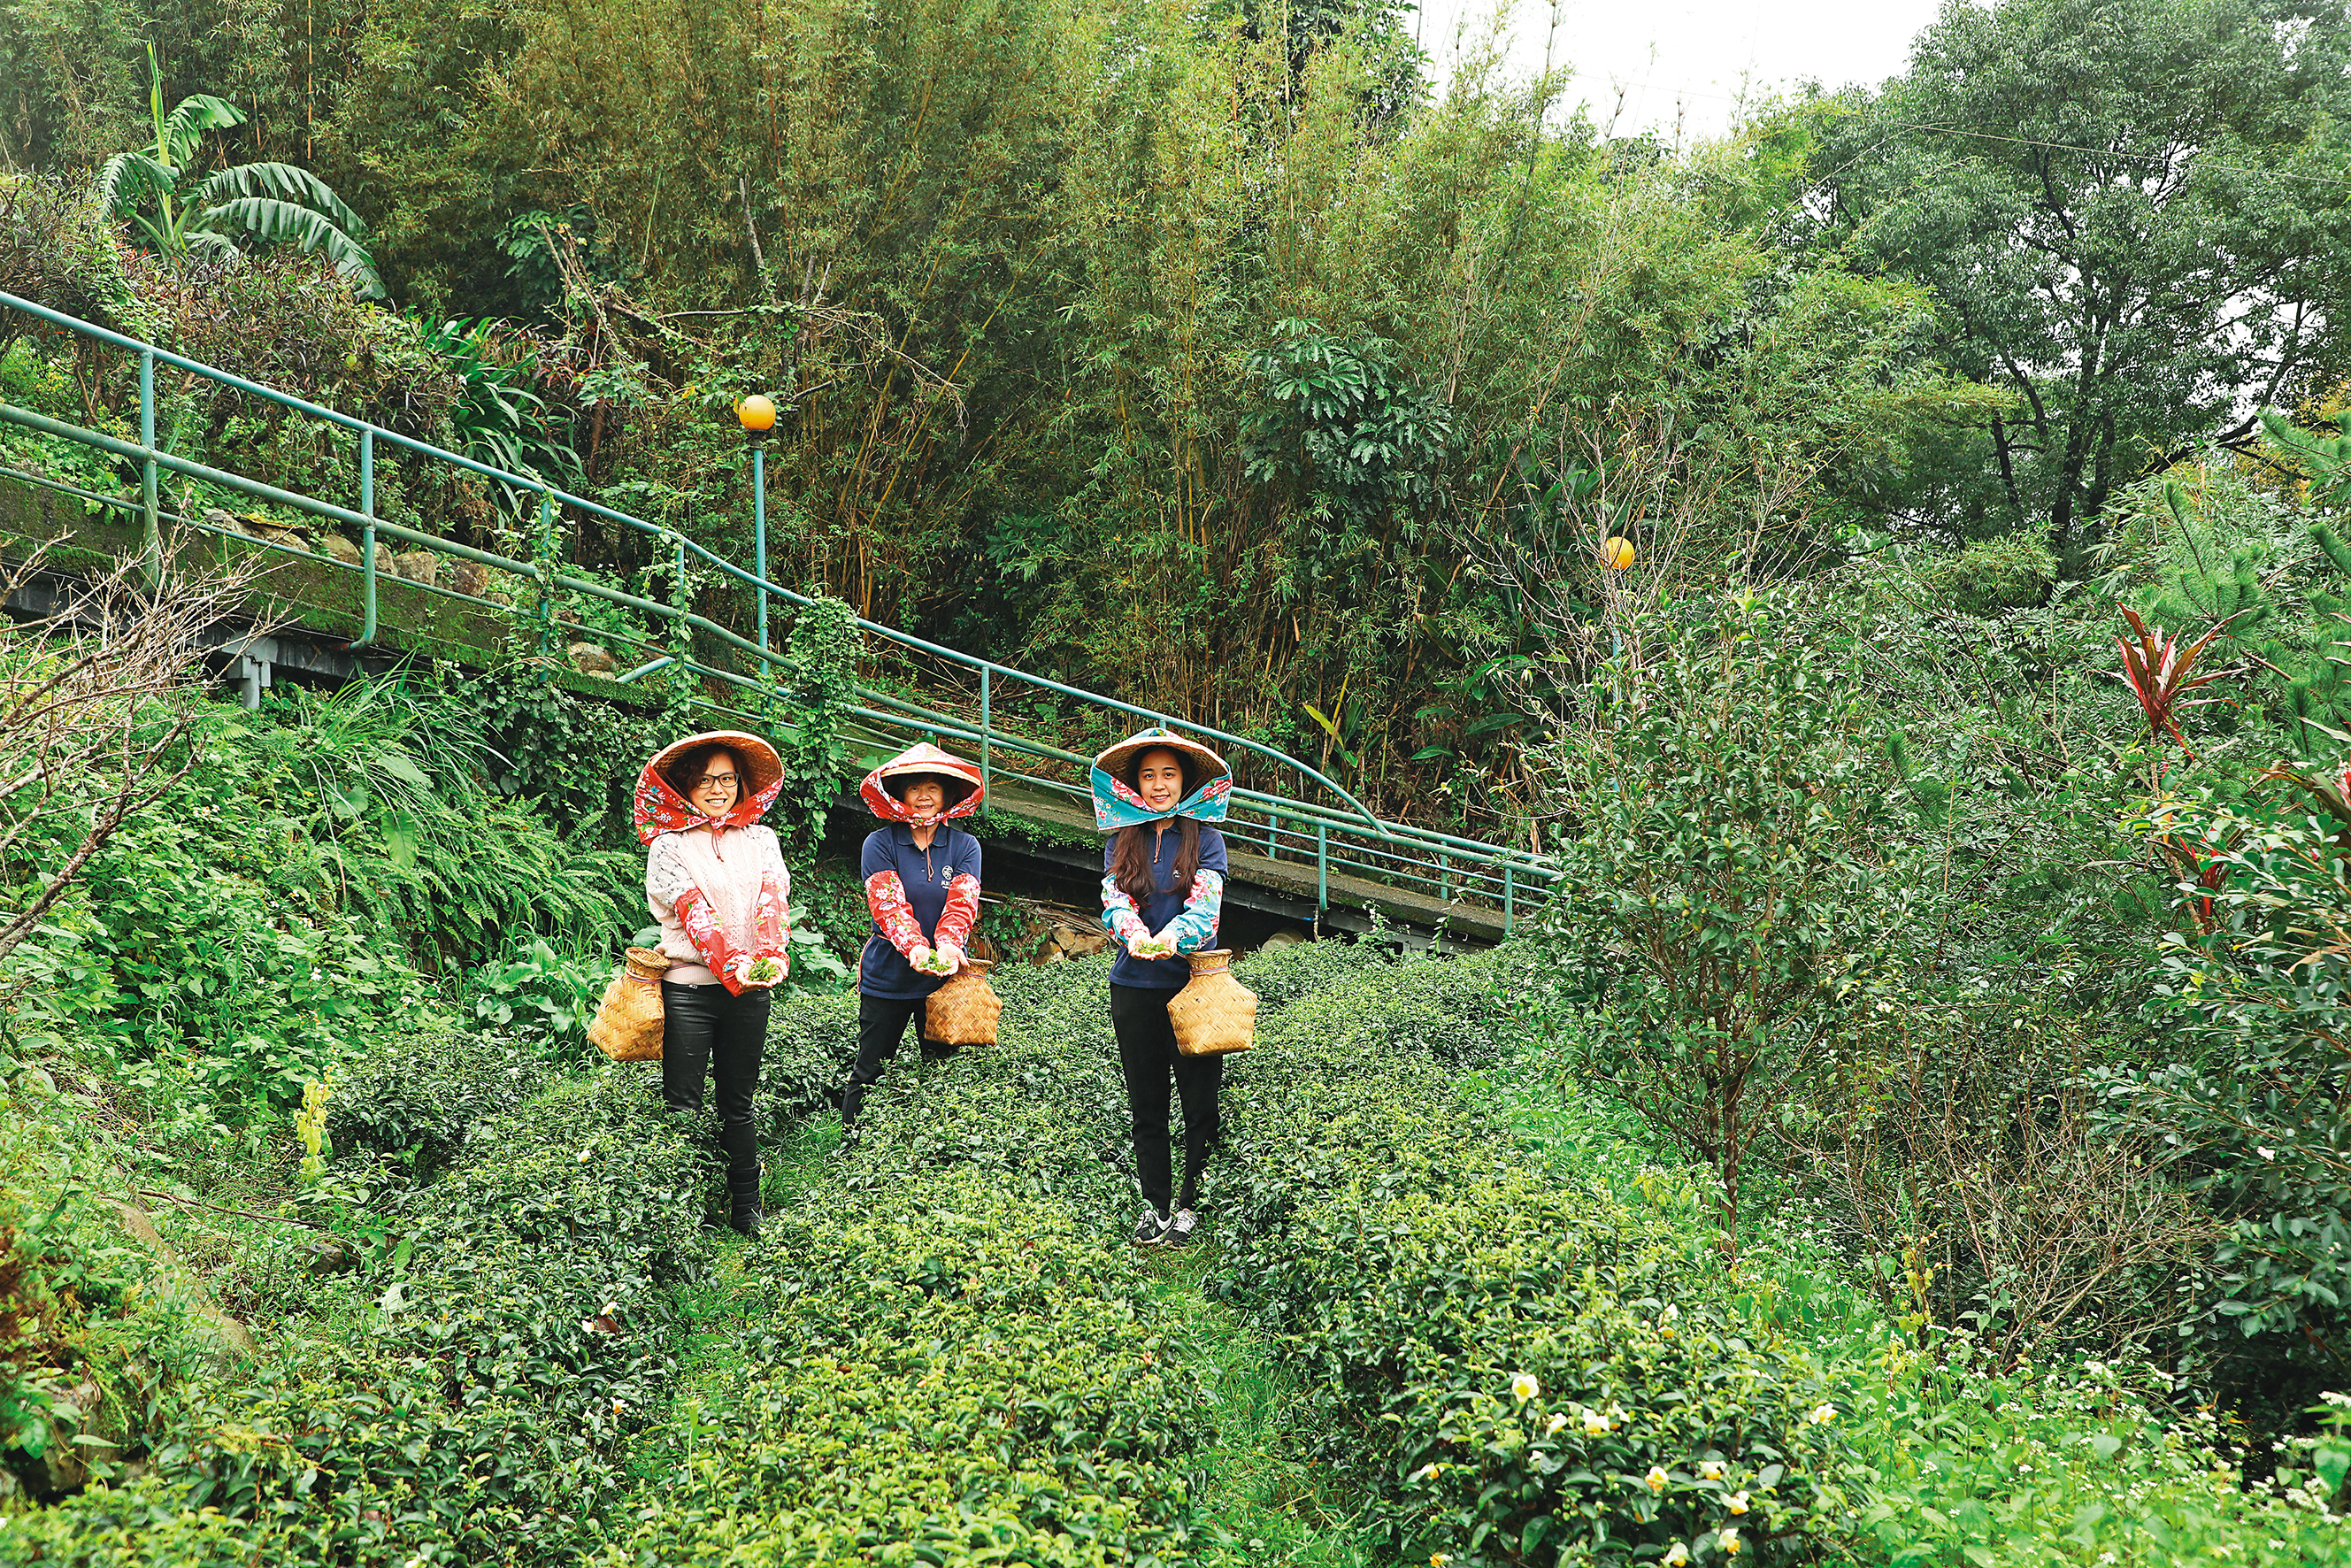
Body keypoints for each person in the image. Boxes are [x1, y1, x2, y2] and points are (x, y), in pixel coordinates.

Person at [634, 730, 793, 1239]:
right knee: (682, 1103)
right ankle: (685, 1216)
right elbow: (693, 913)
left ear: (741, 783)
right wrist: (734, 967)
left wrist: (770, 956)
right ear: (686, 787)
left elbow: (772, 901)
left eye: (727, 778)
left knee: (738, 1101)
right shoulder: (668, 846)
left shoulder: (762, 838)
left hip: (749, 993)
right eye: (706, 781)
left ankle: (747, 1207)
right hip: (690, 991)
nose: (718, 789)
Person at [1093, 726, 1232, 1247]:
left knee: (1199, 1100)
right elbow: (1114, 902)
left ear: (1185, 782)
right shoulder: (1120, 840)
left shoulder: (1205, 838)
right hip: (1133, 986)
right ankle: (1153, 1205)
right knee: (1145, 1101)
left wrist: (1171, 938)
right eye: (1148, 776)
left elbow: (1207, 905)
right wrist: (1136, 939)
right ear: (1134, 784)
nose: (1158, 785)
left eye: (1168, 775)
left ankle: (1192, 1202)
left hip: (1193, 985)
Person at [839, 742, 986, 1150]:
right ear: (900, 795)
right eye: (915, 788)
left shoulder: (964, 847)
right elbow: (888, 905)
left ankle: (937, 1152)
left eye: (933, 788)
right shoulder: (879, 843)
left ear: (948, 796)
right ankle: (851, 1148)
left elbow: (962, 904)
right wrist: (916, 949)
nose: (924, 797)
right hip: (888, 973)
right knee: (870, 1067)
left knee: (942, 1071)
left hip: (943, 982)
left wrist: (949, 946)